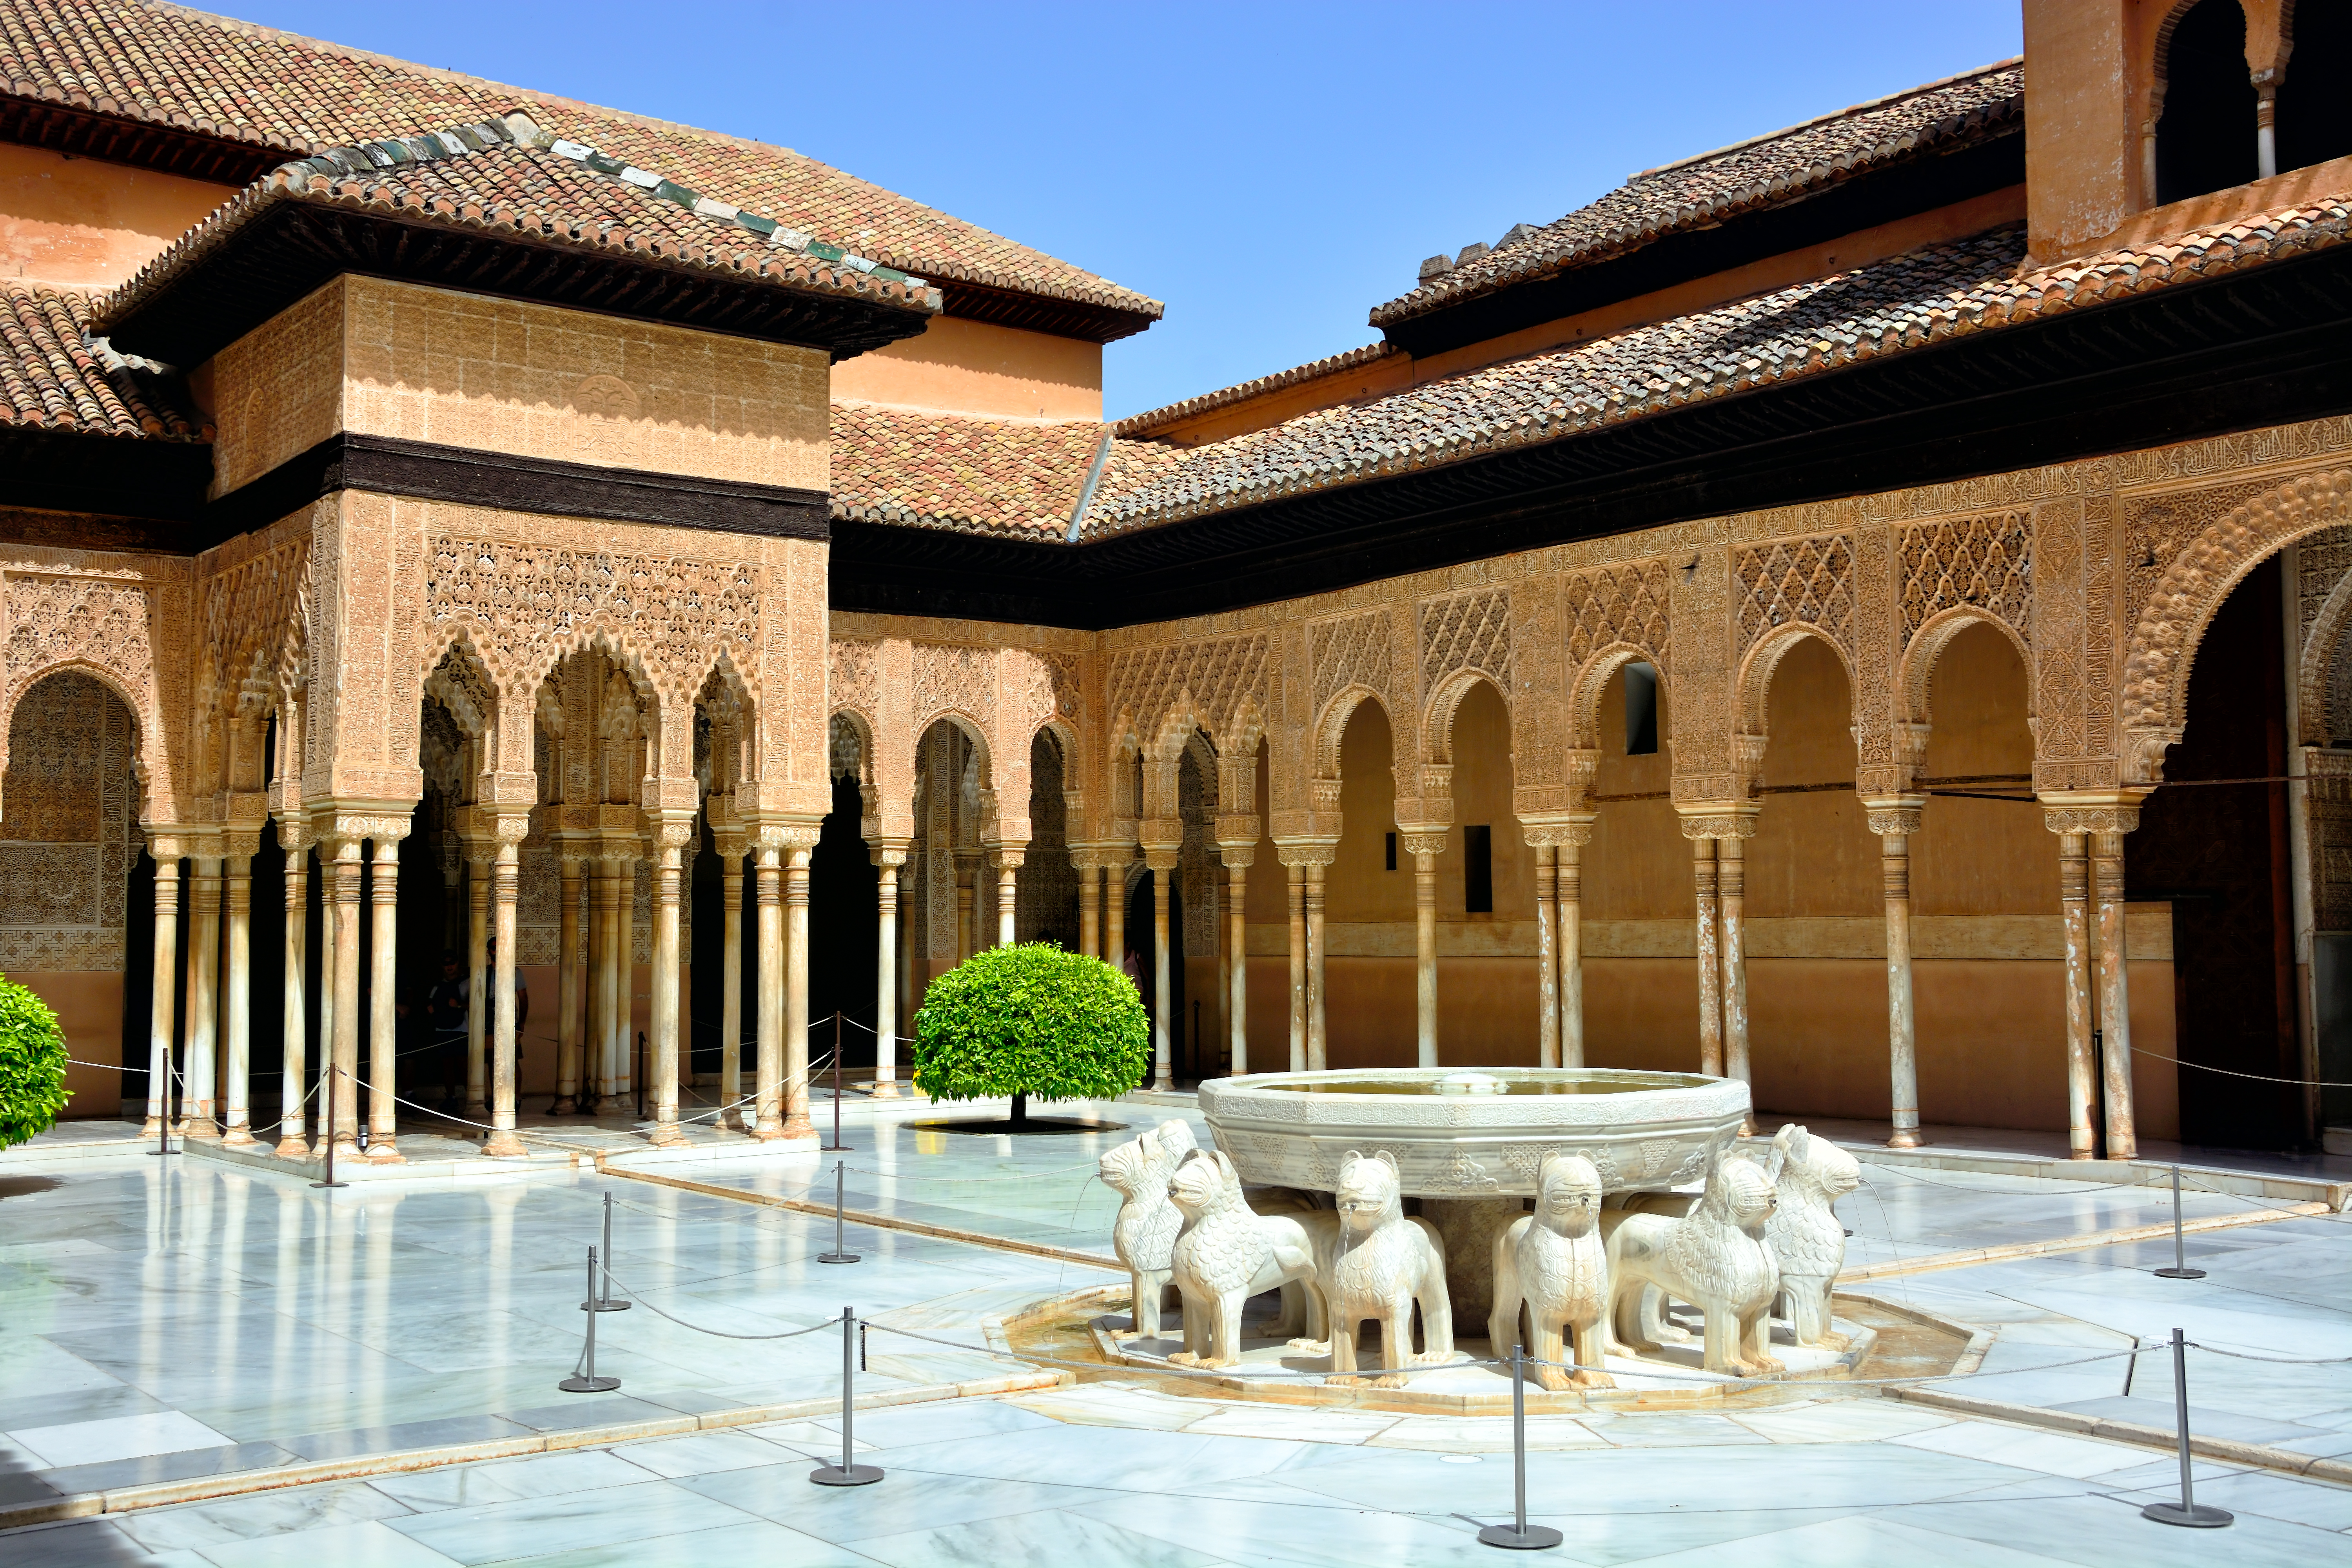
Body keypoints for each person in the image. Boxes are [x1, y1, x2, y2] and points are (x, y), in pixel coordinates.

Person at [424, 953, 468, 1107]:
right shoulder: (438, 986)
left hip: (462, 1029)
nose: (449, 967)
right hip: (442, 1029)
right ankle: (451, 1097)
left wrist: (458, 1005)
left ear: (458, 964)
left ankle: (473, 1098)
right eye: (446, 964)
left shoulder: (467, 983)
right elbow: (430, 1003)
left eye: (452, 963)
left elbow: (477, 1004)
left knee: (464, 1065)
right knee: (447, 1065)